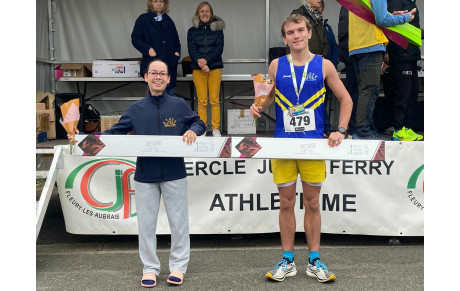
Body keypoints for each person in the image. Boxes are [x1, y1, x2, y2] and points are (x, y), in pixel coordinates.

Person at [69, 59, 206, 288]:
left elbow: (199, 123)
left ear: (169, 78)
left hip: (175, 174)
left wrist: (193, 130)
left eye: (163, 73)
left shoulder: (179, 105)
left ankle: (178, 267)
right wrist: (82, 137)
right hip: (145, 175)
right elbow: (113, 133)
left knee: (179, 223)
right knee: (146, 225)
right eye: (154, 73)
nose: (158, 77)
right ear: (146, 77)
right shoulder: (135, 109)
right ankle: (150, 268)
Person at [250, 14, 352, 283]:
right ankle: (287, 260)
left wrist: (340, 130)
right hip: (283, 145)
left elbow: (346, 99)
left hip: (313, 146)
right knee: (286, 203)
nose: (295, 36)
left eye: (300, 31)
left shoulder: (325, 65)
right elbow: (268, 96)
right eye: (290, 33)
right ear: (284, 39)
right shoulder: (275, 65)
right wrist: (257, 105)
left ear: (308, 34)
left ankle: (315, 260)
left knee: (312, 204)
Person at [347, 0, 416, 139]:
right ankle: (363, 132)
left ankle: (366, 130)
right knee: (369, 91)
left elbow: (373, 15)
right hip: (370, 44)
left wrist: (393, 15)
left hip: (357, 45)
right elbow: (382, 19)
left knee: (365, 91)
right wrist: (405, 18)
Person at [386, 0, 423, 141]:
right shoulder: (395, 1)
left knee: (413, 92)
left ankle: (407, 128)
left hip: (411, 54)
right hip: (401, 54)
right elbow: (393, 26)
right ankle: (398, 130)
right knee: (403, 94)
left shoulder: (410, 1)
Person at [187, 1, 225, 137]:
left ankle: (216, 128)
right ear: (198, 13)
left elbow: (218, 48)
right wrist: (201, 63)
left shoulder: (218, 30)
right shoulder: (192, 31)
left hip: (214, 68)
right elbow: (191, 49)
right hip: (198, 69)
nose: (204, 13)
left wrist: (207, 61)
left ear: (211, 13)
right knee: (202, 100)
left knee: (214, 100)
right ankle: (201, 128)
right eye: (202, 11)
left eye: (207, 11)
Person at [131, 0, 181, 96]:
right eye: (155, 1)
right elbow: (135, 39)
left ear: (165, 3)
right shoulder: (143, 19)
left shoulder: (168, 20)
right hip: (152, 64)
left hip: (168, 66)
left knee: (169, 101)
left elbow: (176, 42)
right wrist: (148, 49)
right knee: (154, 101)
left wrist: (176, 55)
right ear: (150, 3)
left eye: (161, 1)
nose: (159, 3)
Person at [318, 0, 338, 137]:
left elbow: (334, 47)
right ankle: (324, 127)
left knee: (325, 99)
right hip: (314, 69)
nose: (317, 8)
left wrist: (334, 66)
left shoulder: (327, 27)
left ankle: (325, 127)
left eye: (320, 6)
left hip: (327, 70)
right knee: (317, 100)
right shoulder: (307, 25)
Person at [338, 5, 359, 137]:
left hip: (357, 56)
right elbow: (344, 35)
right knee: (354, 94)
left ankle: (356, 127)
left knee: (359, 94)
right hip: (353, 57)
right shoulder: (349, 6)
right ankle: (353, 128)